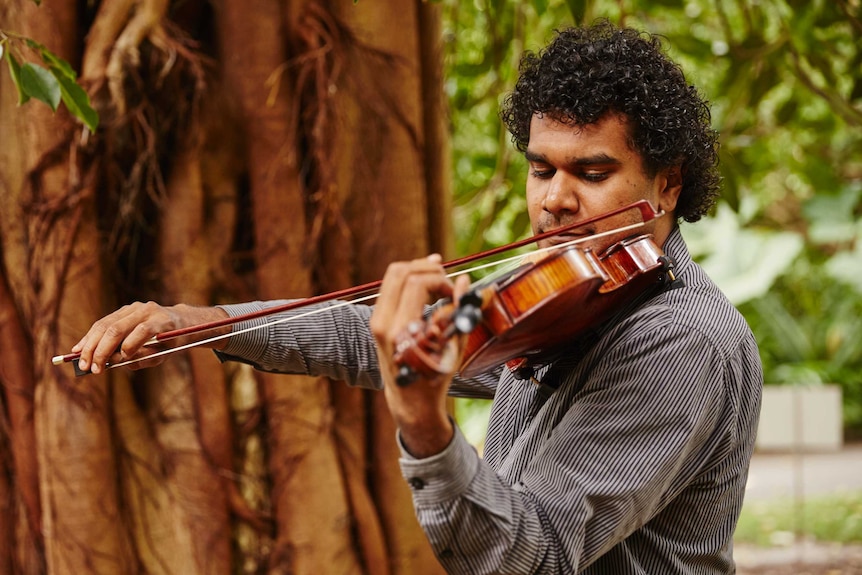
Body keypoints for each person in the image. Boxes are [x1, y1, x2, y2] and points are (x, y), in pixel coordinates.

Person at [71, 21, 762, 575]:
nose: (554, 199)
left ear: (667, 185)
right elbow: (366, 335)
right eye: (541, 168)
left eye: (592, 171)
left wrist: (424, 423)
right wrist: (205, 322)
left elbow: (532, 555)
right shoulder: (564, 296)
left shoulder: (678, 338)